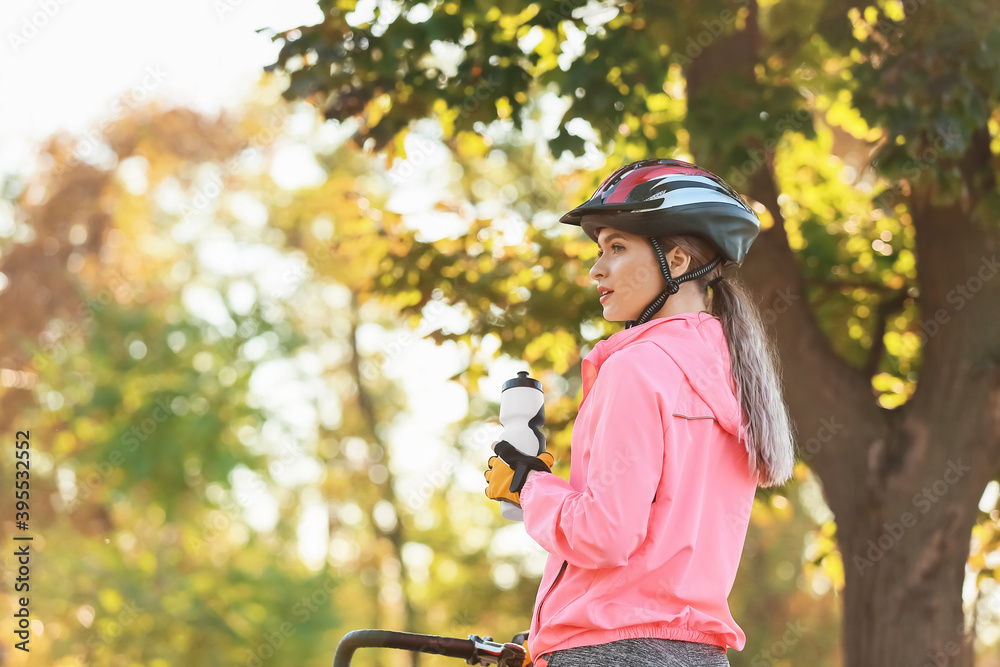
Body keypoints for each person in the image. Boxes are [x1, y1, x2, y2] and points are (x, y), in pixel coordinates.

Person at [484, 158, 796, 667]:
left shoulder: (638, 369)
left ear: (674, 261)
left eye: (617, 247)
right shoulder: (736, 379)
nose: (596, 268)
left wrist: (528, 486)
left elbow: (603, 535)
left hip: (610, 650)